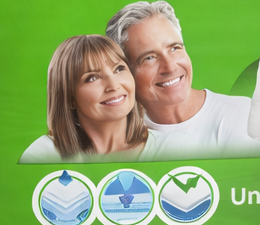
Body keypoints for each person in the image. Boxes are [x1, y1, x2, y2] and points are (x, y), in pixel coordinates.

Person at [105, 1, 260, 161]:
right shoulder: (117, 139)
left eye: (175, 48)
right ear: (124, 72)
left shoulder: (241, 115)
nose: (170, 67)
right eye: (149, 57)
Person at [19, 35, 157, 163]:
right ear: (69, 98)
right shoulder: (42, 154)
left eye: (119, 69)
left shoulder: (166, 145)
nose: (114, 86)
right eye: (92, 78)